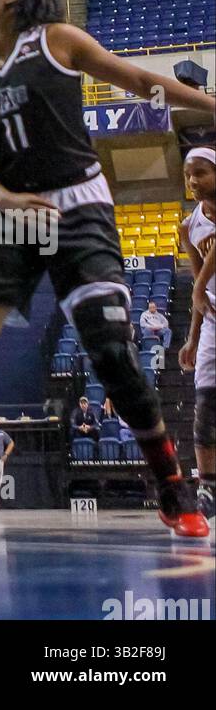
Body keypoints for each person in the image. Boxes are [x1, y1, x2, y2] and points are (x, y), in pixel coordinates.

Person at [0, 0, 213, 540]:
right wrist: (4, 197)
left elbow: (135, 81)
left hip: (79, 205)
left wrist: (209, 105)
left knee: (110, 352)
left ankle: (171, 482)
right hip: (11, 212)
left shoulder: (57, 40)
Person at [179, 146, 216, 519]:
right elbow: (197, 285)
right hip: (213, 320)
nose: (192, 181)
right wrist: (192, 336)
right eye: (189, 174)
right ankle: (208, 487)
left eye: (201, 172)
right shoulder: (190, 225)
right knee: (204, 406)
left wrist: (199, 287)